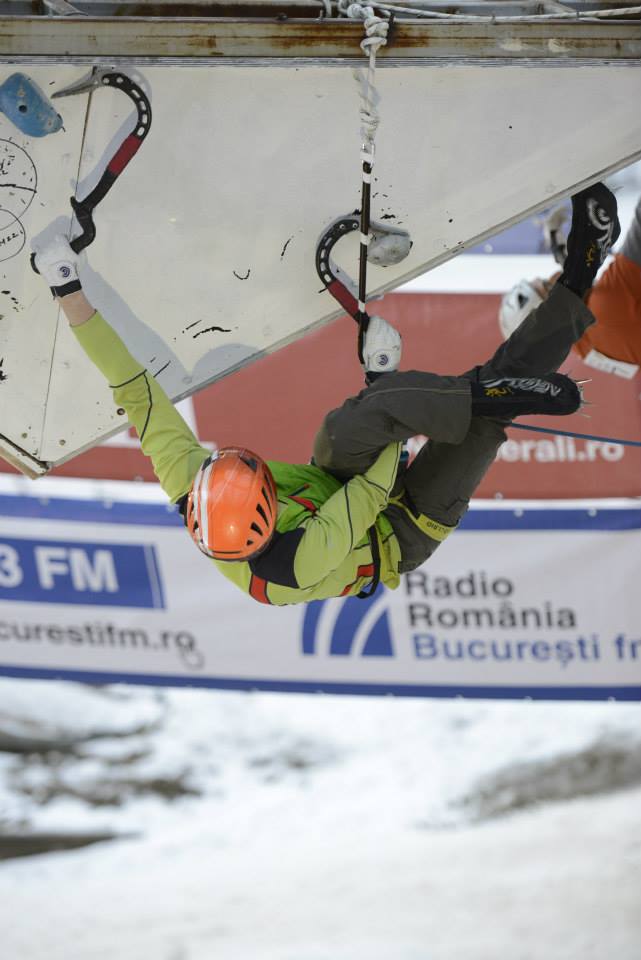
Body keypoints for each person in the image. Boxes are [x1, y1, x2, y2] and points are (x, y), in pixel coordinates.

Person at [32, 183, 619, 607]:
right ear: (268, 523)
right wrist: (379, 380)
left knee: (349, 428)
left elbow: (136, 393)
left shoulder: (192, 484)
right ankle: (580, 270)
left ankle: (487, 395)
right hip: (400, 532)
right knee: (477, 420)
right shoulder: (295, 564)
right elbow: (376, 487)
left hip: (339, 483)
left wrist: (68, 292)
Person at [500, 190, 641, 379]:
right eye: (547, 285)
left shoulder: (588, 346)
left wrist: (577, 263)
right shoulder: (604, 307)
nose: (554, 275)